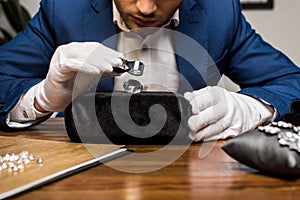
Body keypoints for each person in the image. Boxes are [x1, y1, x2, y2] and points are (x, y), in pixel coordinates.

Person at [0, 0, 299, 141]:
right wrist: (41, 98)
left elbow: (291, 82)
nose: (145, 8)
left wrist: (248, 108)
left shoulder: (220, 12)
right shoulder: (64, 8)